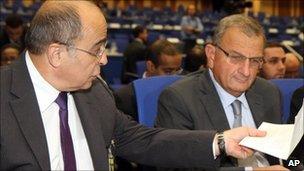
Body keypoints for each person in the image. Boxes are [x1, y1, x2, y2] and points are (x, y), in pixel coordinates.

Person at [0, 1, 268, 170]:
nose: (104, 59)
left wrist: (220, 142)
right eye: (96, 49)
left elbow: (141, 140)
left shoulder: (94, 92)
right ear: (56, 54)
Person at [155, 14, 287, 171]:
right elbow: (176, 167)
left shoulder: (269, 92)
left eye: (254, 61)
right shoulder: (179, 98)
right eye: (236, 57)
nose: (246, 72)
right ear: (211, 55)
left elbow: (281, 156)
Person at [115, 39, 183, 121]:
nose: (174, 77)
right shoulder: (125, 98)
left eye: (178, 71)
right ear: (151, 66)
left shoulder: (183, 92)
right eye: (168, 72)